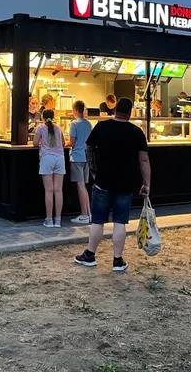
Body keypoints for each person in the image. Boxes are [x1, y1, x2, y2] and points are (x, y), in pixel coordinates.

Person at [74, 98, 150, 272]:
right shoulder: (136, 132)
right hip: (126, 184)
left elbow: (88, 149)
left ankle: (90, 255)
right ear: (130, 112)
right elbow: (144, 160)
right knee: (120, 222)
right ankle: (117, 260)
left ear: (115, 109)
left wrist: (94, 172)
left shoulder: (102, 127)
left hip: (103, 182)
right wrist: (146, 184)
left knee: (98, 221)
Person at [33, 108, 66, 227]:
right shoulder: (58, 128)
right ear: (53, 116)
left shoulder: (40, 128)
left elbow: (35, 143)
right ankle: (58, 220)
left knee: (49, 190)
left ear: (42, 117)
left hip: (47, 158)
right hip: (60, 159)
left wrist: (42, 143)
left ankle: (49, 219)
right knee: (58, 190)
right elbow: (63, 143)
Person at [67, 100, 92, 224]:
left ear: (76, 110)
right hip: (86, 157)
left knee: (80, 186)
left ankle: (84, 214)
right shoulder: (88, 124)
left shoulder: (74, 124)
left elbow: (71, 142)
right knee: (84, 186)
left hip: (77, 157)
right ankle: (88, 213)